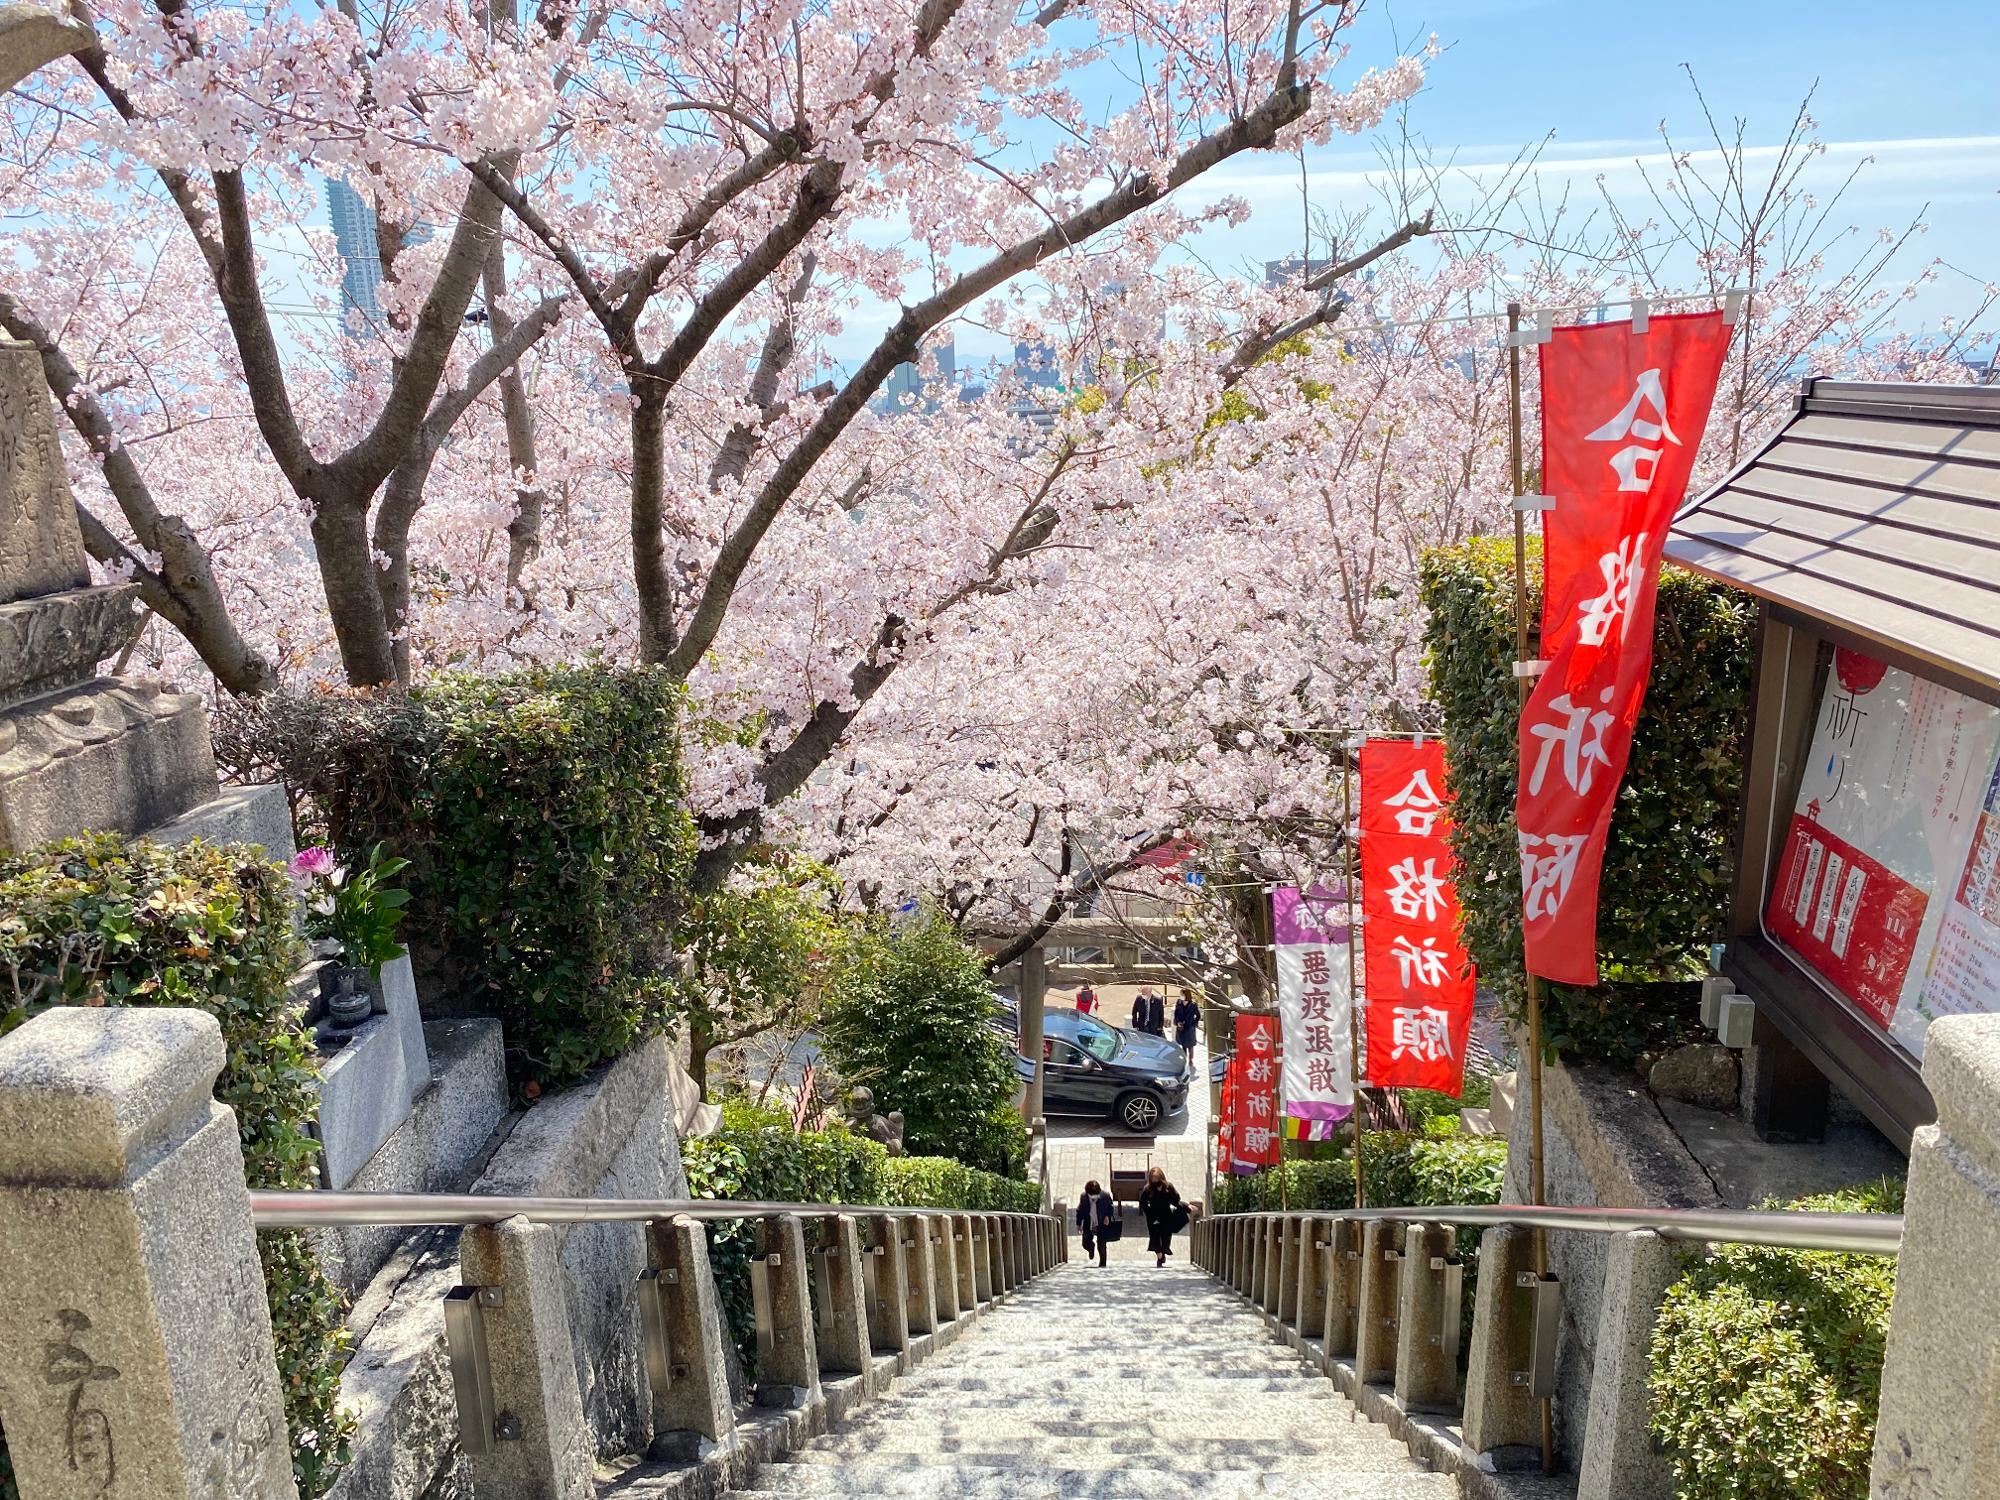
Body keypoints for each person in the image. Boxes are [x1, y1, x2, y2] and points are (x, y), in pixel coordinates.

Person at [1136, 1166, 1184, 1267]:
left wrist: (1184, 1206)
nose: (1155, 1180)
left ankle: (1163, 1252)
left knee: (1166, 1238)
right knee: (1155, 1239)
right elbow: (1143, 1203)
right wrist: (1149, 1214)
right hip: (1153, 1217)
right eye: (1153, 1178)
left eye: (1157, 1177)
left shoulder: (1168, 1187)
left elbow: (1176, 1199)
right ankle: (1159, 1257)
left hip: (1166, 1215)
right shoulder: (1148, 1189)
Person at [1074, 1179, 1120, 1267]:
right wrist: (1078, 1224)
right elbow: (1080, 1211)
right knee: (1085, 1243)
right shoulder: (1084, 1197)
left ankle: (1103, 1264)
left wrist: (1107, 1216)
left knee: (1102, 1245)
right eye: (1092, 1196)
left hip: (1102, 1223)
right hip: (1089, 1222)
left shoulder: (1105, 1196)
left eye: (1096, 1196)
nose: (1094, 1198)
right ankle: (1091, 1248)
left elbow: (1110, 1207)